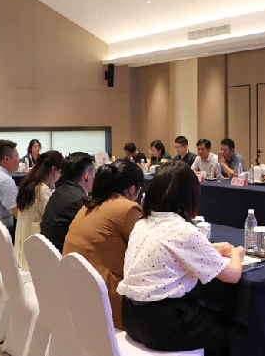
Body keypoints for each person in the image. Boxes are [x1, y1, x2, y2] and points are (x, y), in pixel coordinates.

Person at [118, 161, 244, 355]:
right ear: (189, 196)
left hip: (129, 316)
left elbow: (171, 249)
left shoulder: (142, 223)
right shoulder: (184, 230)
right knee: (229, 334)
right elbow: (233, 275)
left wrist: (210, 248)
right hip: (161, 325)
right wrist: (237, 254)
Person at [63, 159, 144, 330]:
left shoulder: (89, 205)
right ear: (132, 189)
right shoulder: (127, 208)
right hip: (106, 300)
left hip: (75, 294)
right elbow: (149, 249)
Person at [14, 150, 65, 270]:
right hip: (33, 258)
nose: (60, 177)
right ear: (53, 169)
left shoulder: (27, 185)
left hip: (19, 252)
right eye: (60, 172)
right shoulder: (42, 190)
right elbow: (51, 219)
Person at [41, 152, 96, 253]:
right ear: (87, 176)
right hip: (65, 257)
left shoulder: (58, 192)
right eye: (94, 173)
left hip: (47, 255)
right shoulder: (80, 201)